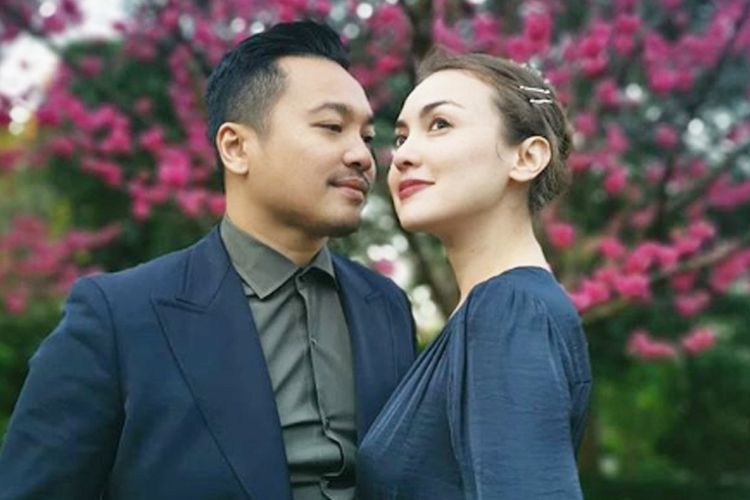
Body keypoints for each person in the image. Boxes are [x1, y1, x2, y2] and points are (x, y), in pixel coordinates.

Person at [0, 21, 416, 500]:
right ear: (236, 148)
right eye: (331, 127)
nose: (362, 155)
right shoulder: (119, 317)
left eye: (367, 135)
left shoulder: (386, 308)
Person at [357, 51, 592, 499]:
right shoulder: (494, 312)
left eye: (440, 124)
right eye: (402, 137)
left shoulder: (510, 311)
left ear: (527, 157)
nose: (403, 156)